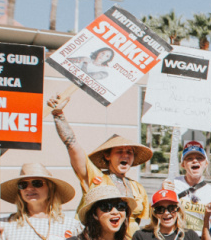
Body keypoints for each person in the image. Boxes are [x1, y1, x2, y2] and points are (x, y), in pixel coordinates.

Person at [49, 93, 150, 232]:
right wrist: (58, 115)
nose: (125, 155)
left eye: (129, 152)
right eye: (119, 151)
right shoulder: (95, 178)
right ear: (107, 155)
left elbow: (141, 223)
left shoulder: (137, 187)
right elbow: (72, 145)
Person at [162, 142, 211, 234]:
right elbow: (157, 213)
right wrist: (163, 193)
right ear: (183, 165)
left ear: (206, 163)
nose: (195, 161)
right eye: (189, 158)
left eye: (199, 158)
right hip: (176, 236)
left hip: (200, 239)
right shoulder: (172, 184)